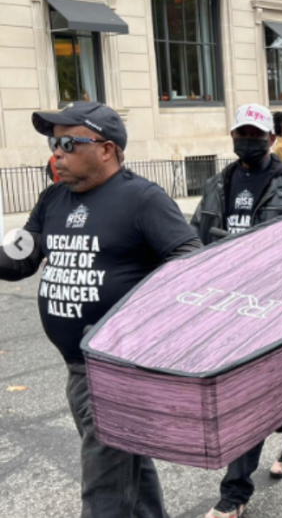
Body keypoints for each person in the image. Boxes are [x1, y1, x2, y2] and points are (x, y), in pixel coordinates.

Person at [0, 101, 201, 518]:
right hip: (78, 367)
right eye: (54, 143)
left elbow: (190, 261)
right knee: (128, 468)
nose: (56, 152)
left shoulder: (141, 198)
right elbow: (22, 257)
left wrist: (139, 325)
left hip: (118, 370)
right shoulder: (54, 197)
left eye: (68, 142)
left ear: (106, 149)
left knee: (104, 492)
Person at [190, 104, 282, 518]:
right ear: (233, 137)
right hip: (224, 301)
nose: (247, 138)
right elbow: (194, 240)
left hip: (273, 304)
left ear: (268, 137)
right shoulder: (216, 185)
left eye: (255, 133)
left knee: (247, 391)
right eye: (240, 132)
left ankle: (235, 493)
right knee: (266, 382)